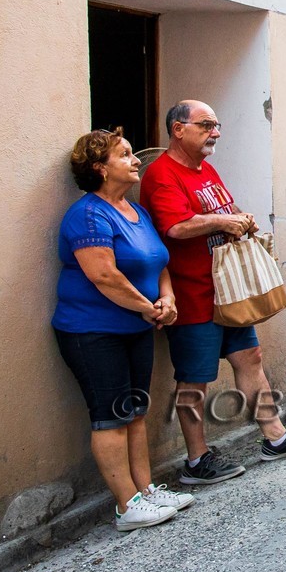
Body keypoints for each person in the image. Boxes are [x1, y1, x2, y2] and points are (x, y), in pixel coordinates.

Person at [141, 100, 286, 485]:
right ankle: (196, 460)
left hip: (227, 290)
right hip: (193, 294)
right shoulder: (161, 174)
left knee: (251, 357)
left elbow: (221, 208)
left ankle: (275, 439)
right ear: (178, 129)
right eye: (207, 124)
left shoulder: (205, 169)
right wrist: (224, 221)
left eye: (217, 124)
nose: (216, 132)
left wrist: (239, 217)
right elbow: (175, 227)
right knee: (194, 378)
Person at [53, 128, 193, 531]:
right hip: (93, 332)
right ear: (99, 168)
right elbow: (104, 276)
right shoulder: (88, 213)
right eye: (125, 155)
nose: (136, 161)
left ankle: (146, 490)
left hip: (136, 327)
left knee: (135, 411)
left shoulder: (136, 211)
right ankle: (126, 505)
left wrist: (168, 299)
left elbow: (158, 262)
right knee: (110, 416)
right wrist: (151, 309)